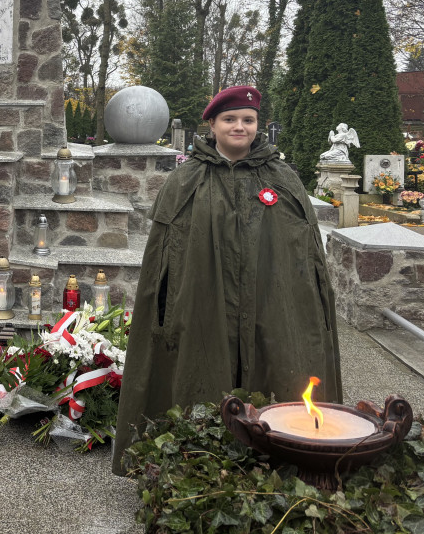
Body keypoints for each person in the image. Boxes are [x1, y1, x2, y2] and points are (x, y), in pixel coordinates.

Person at [112, 86, 342, 476]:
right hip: (202, 302)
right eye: (230, 119)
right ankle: (199, 461)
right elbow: (164, 263)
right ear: (213, 125)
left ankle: (279, 454)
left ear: (258, 126)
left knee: (281, 368)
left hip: (272, 301)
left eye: (248, 120)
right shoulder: (185, 181)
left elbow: (306, 255)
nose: (240, 127)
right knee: (200, 371)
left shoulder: (283, 179)